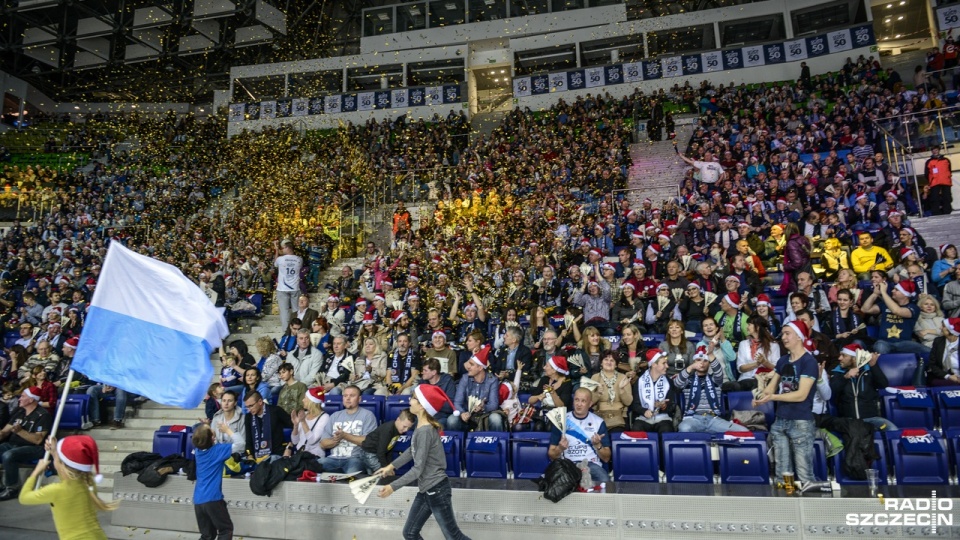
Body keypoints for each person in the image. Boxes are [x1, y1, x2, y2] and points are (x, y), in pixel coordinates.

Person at [375, 385, 471, 540]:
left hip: (437, 490)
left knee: (454, 536)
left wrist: (393, 487)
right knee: (410, 533)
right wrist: (391, 466)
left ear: (422, 405)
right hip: (427, 489)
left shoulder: (425, 431)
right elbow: (412, 451)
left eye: (413, 398)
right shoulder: (421, 427)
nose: (410, 400)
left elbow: (417, 469)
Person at [754, 320, 820, 490]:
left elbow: (801, 395)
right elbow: (770, 389)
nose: (783, 337)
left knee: (805, 475)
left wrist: (773, 397)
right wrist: (760, 395)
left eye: (787, 333)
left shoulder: (809, 362)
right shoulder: (783, 360)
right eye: (783, 333)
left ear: (799, 337)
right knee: (781, 477)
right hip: (781, 420)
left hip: (801, 422)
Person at [18, 435, 117, 539]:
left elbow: (24, 497)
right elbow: (69, 473)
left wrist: (35, 472)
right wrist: (55, 453)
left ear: (62, 465)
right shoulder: (89, 482)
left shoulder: (56, 490)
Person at [675, 347, 749, 433]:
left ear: (709, 364)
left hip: (714, 419)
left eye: (705, 361)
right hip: (693, 418)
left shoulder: (715, 379)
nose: (702, 363)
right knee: (684, 429)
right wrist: (691, 367)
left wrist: (710, 354)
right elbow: (677, 383)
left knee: (743, 431)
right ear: (694, 362)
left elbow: (718, 372)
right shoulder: (688, 380)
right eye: (698, 360)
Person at [547, 387, 612, 483]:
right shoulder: (561, 420)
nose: (579, 404)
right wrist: (560, 448)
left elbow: (606, 458)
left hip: (591, 464)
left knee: (605, 482)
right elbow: (551, 455)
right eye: (576, 400)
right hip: (568, 464)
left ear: (590, 404)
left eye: (583, 401)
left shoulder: (598, 422)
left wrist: (597, 445)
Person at [0, 386, 51, 500]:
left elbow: (38, 440)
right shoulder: (19, 412)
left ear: (31, 399)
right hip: (13, 445)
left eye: (23, 396)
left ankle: (12, 488)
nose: (19, 399)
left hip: (33, 448)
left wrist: (20, 431)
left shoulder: (43, 415)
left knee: (9, 455)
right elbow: (4, 431)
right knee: (6, 450)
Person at [829, 344, 896, 431]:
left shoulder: (868, 370)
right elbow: (833, 390)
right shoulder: (837, 372)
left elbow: (883, 385)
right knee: (856, 436)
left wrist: (874, 366)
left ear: (854, 358)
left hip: (872, 419)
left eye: (844, 355)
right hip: (848, 420)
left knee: (892, 429)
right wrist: (845, 377)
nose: (839, 358)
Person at [192, 424, 239, 540]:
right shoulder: (218, 451)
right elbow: (241, 444)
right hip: (213, 499)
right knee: (225, 530)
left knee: (207, 535)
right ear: (212, 438)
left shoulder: (198, 452)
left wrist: (204, 427)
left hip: (198, 500)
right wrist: (228, 431)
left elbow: (201, 438)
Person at [862, 278, 929, 356]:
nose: (892, 291)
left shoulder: (914, 308)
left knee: (928, 351)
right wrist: (875, 294)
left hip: (904, 343)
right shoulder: (885, 304)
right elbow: (865, 309)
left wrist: (884, 292)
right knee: (880, 346)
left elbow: (897, 311)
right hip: (884, 342)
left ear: (905, 294)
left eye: (896, 290)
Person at [319, 385, 377, 473]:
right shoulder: (335, 416)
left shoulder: (367, 415)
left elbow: (368, 442)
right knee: (313, 466)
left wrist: (345, 435)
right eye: (345, 396)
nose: (348, 398)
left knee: (352, 471)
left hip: (355, 459)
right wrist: (335, 440)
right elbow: (323, 444)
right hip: (333, 459)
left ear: (359, 399)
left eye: (352, 396)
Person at [449, 346, 504, 432]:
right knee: (452, 420)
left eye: (472, 365)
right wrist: (462, 413)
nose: (468, 367)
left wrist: (483, 407)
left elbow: (494, 404)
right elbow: (457, 402)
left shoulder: (492, 380)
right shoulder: (465, 378)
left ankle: (497, 443)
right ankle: (459, 444)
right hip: (467, 413)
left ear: (480, 368)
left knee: (496, 418)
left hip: (485, 415)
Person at [723, 314, 780, 392]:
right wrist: (756, 364)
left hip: (765, 379)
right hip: (745, 380)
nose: (747, 327)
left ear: (758, 327)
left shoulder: (773, 345)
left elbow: (777, 369)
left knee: (760, 384)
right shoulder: (743, 344)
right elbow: (740, 368)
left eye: (749, 324)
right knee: (729, 386)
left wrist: (765, 362)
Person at [629, 349, 679, 433]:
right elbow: (635, 405)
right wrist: (644, 411)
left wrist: (663, 406)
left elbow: (672, 405)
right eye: (663, 363)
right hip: (643, 418)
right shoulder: (640, 381)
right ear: (653, 364)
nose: (667, 366)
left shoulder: (668, 382)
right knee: (637, 429)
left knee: (666, 429)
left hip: (663, 418)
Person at [360, 408, 416, 473]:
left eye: (409, 428)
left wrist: (389, 466)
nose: (406, 430)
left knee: (378, 474)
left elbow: (389, 450)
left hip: (377, 453)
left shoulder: (399, 430)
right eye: (404, 426)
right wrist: (386, 469)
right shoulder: (388, 430)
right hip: (370, 454)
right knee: (382, 474)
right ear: (398, 420)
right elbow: (381, 452)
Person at [242, 390, 292, 462]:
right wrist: (249, 456)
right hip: (257, 457)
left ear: (260, 402)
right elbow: (249, 439)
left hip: (276, 455)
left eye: (251, 406)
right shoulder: (248, 417)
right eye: (247, 407)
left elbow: (294, 428)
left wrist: (289, 447)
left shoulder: (276, 411)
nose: (249, 410)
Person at [590, 350, 634, 432]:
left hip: (619, 417)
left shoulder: (623, 378)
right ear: (601, 363)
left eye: (612, 360)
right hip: (599, 417)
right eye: (606, 360)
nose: (609, 362)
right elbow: (589, 402)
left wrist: (621, 390)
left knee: (617, 434)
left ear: (616, 364)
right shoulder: (595, 378)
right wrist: (597, 393)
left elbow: (628, 402)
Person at [286, 387, 328, 458]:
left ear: (312, 401)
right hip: (299, 455)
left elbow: (312, 440)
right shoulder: (304, 414)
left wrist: (303, 421)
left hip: (314, 457)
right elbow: (295, 441)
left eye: (305, 398)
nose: (302, 400)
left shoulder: (324, 417)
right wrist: (295, 425)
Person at [417, 358, 456, 426]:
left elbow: (451, 406)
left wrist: (433, 402)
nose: (422, 372)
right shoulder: (422, 383)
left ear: (434, 372)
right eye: (423, 370)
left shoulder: (448, 382)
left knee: (434, 425)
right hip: (425, 415)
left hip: (442, 416)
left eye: (425, 370)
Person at [274, 239, 303, 332]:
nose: (282, 250)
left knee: (284, 311)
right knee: (296, 310)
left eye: (283, 248)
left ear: (287, 247)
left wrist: (276, 251)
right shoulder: (299, 259)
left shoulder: (280, 259)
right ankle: (297, 329)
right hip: (294, 288)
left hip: (282, 288)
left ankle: (286, 331)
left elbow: (275, 264)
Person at [209, 390, 246, 454]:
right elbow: (213, 441)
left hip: (236, 455)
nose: (226, 403)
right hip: (219, 454)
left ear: (235, 403)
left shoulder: (242, 418)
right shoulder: (216, 418)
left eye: (230, 401)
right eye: (224, 401)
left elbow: (243, 443)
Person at [926, 318, 960, 386]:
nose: (940, 328)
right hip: (943, 376)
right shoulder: (938, 341)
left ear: (951, 330)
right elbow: (932, 365)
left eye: (943, 326)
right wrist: (948, 376)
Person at [924, 146, 953, 215]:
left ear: (939, 150)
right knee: (934, 198)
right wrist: (931, 179)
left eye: (936, 150)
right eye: (933, 150)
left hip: (945, 181)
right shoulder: (929, 161)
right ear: (931, 151)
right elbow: (926, 173)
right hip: (935, 182)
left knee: (947, 197)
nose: (935, 151)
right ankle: (936, 212)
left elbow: (949, 169)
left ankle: (947, 211)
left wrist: (948, 177)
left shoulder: (946, 160)